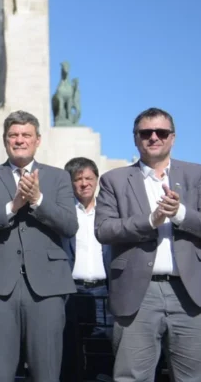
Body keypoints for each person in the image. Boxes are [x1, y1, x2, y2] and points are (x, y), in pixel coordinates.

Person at [95, 108, 201, 381]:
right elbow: (104, 229)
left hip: (190, 292)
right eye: (146, 133)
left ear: (173, 138)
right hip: (137, 293)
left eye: (161, 132)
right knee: (131, 376)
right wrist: (150, 220)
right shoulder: (114, 180)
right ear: (135, 139)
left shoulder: (199, 174)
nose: (154, 137)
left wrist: (179, 213)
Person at [0, 110, 78, 382]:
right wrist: (12, 206)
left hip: (47, 286)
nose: (19, 140)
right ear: (5, 141)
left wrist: (38, 200)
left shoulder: (58, 177)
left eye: (26, 135)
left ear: (37, 140)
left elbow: (69, 225)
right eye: (13, 135)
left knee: (47, 370)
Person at [61, 157, 113, 382]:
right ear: (70, 183)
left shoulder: (110, 211)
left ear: (97, 180)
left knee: (101, 352)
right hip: (71, 292)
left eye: (89, 178)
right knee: (69, 352)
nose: (84, 183)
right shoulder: (63, 213)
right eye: (78, 179)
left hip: (103, 292)